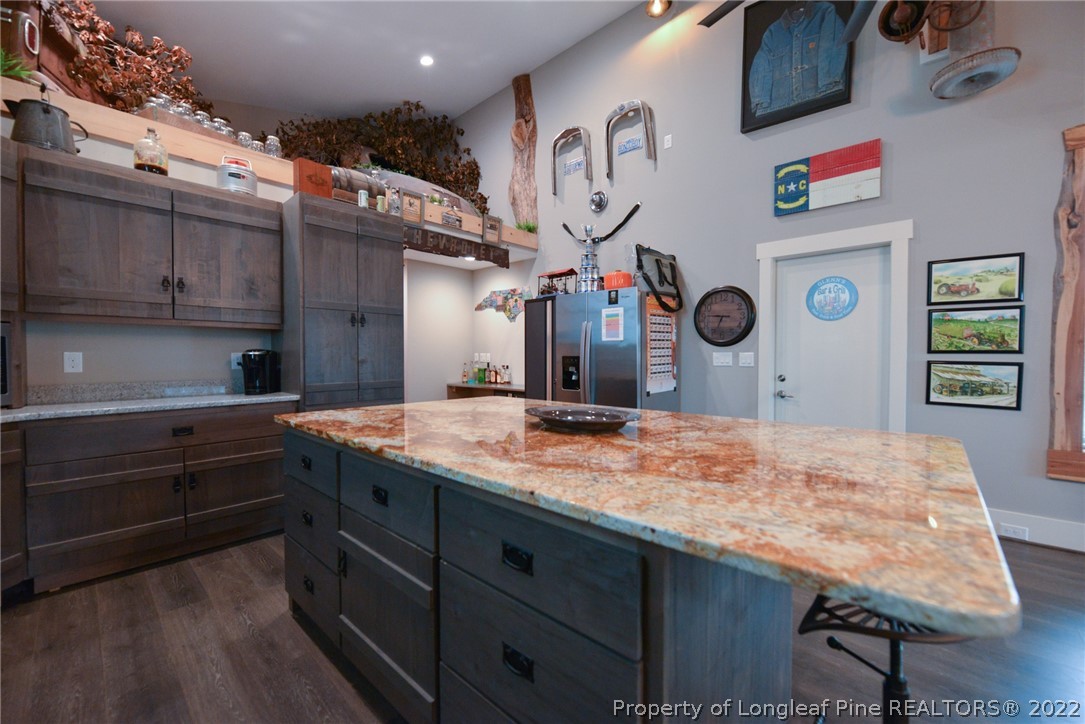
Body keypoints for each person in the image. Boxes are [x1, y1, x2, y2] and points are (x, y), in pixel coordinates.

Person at [748, 1, 848, 117]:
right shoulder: (772, 33)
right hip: (781, 105)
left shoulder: (825, 13)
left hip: (823, 93)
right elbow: (761, 65)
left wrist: (829, 82)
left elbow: (831, 44)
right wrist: (761, 101)